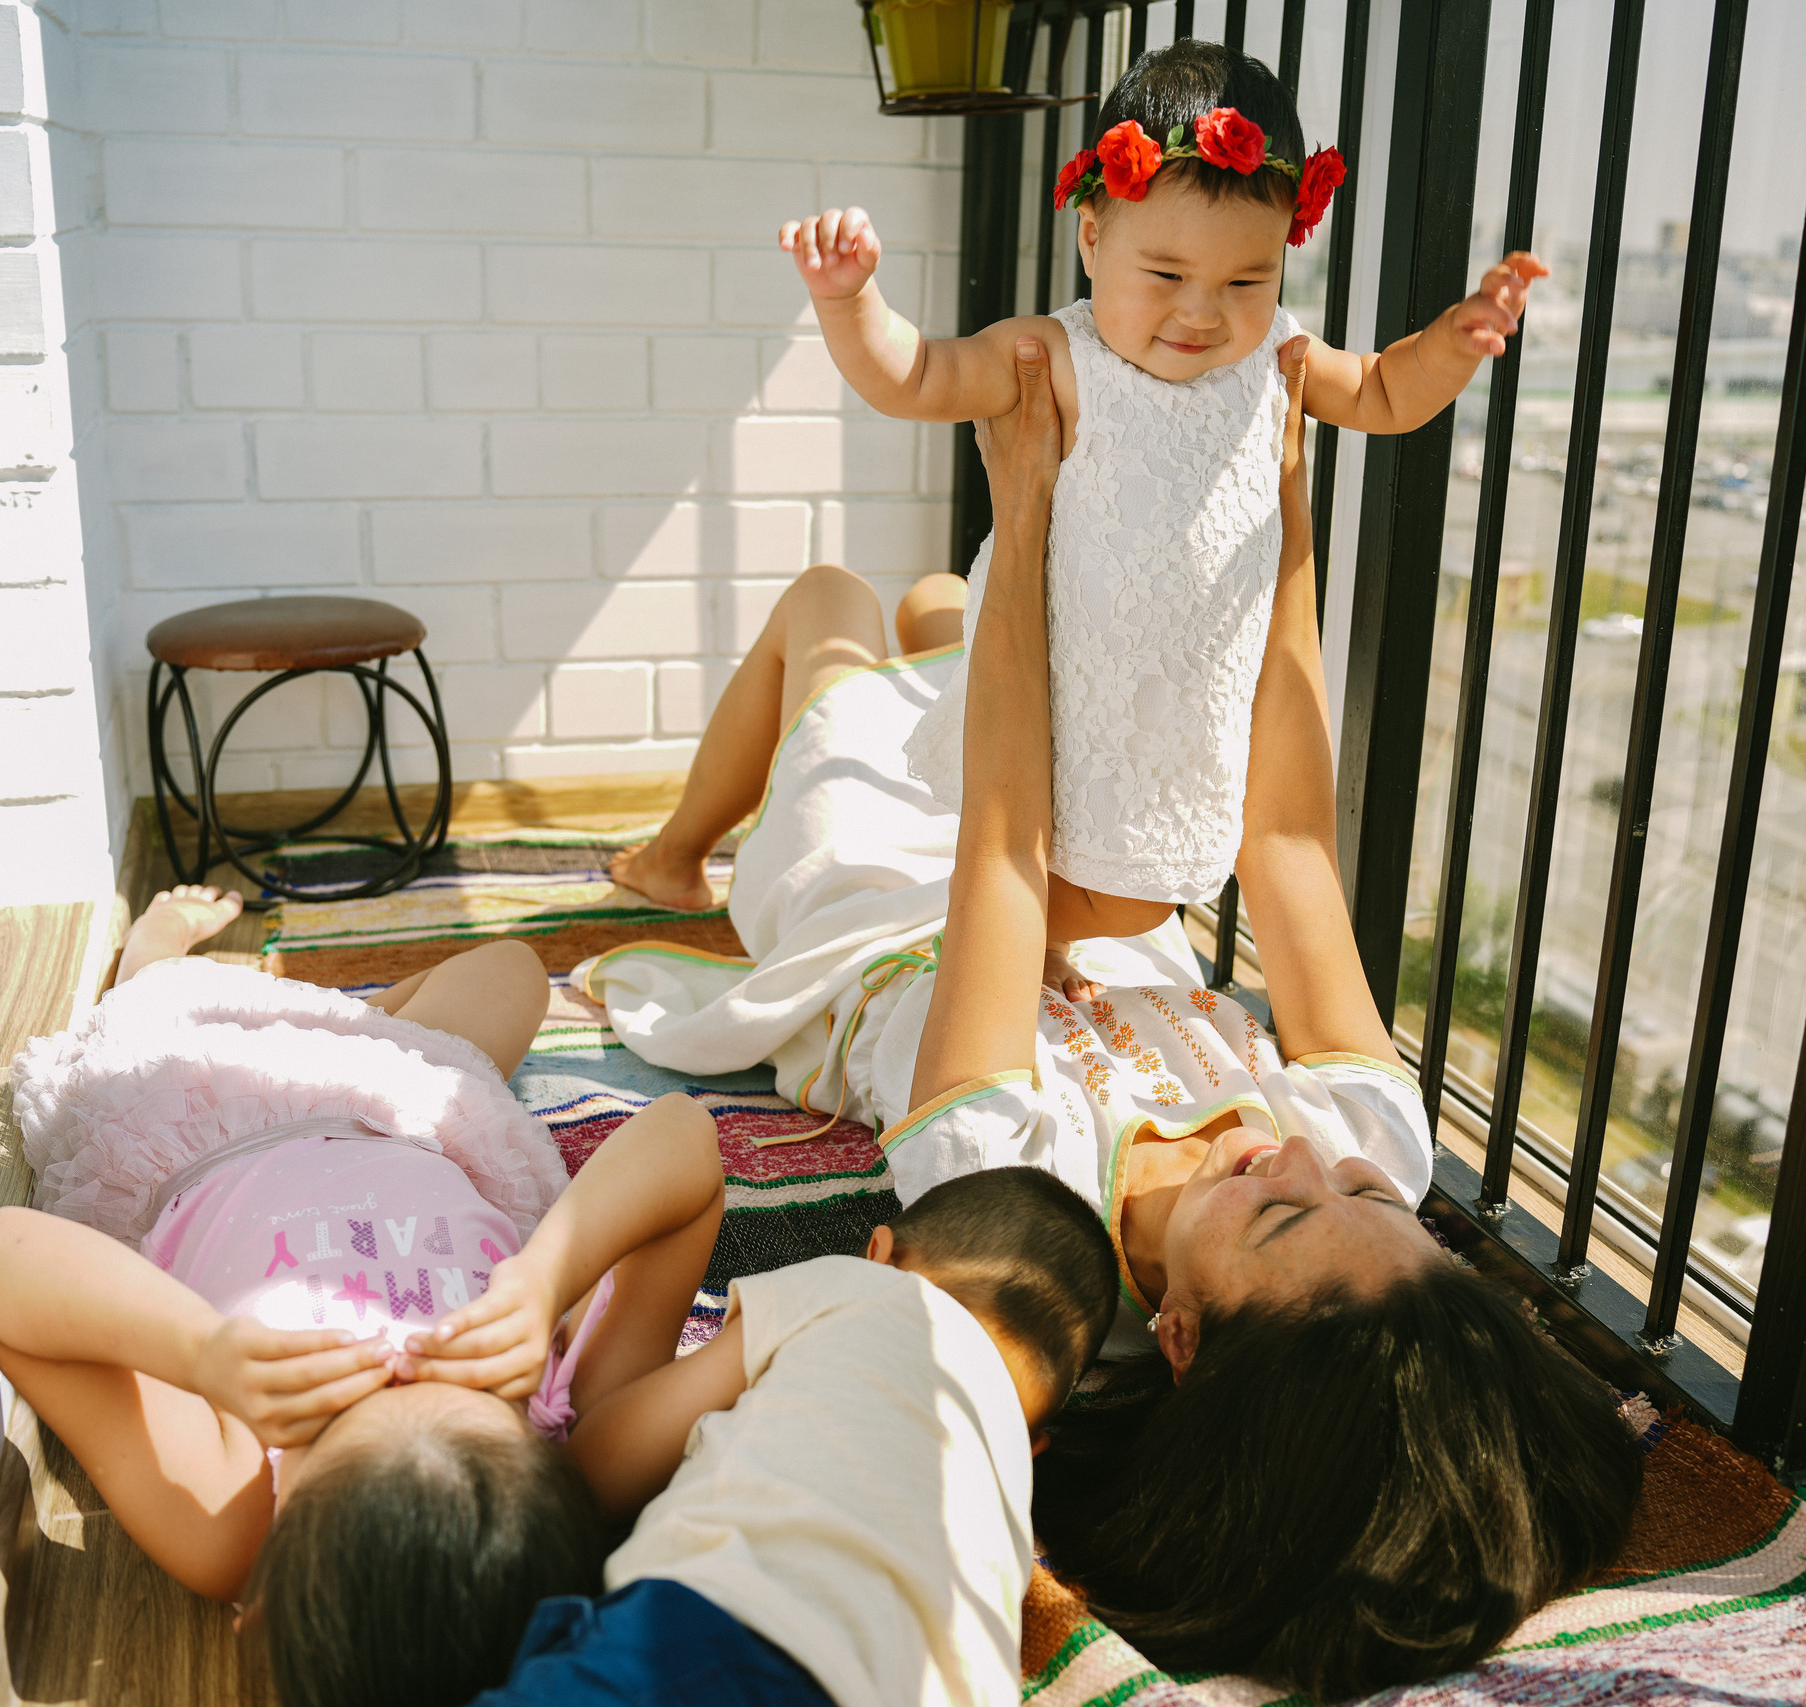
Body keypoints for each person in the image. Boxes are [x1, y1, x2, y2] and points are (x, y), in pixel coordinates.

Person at [593, 335, 1641, 1695]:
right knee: (935, 609)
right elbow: (1294, 843)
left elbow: (1001, 848)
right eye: (1373, 1192)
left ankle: (676, 854)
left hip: (893, 900)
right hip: (1049, 876)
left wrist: (1026, 502)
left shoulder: (1013, 1197)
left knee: (832, 602)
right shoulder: (1357, 1134)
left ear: (1187, 1339)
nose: (1303, 1151)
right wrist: (1282, 503)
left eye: (1276, 1208)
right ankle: (882, 683)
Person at [776, 39, 1547, 993]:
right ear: (1095, 237)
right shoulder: (1062, 353)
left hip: (1181, 701)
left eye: (1244, 282)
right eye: (1167, 274)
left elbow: (1388, 392)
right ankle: (1009, 934)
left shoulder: (1277, 361)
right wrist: (853, 303)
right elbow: (920, 375)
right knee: (1072, 858)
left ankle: (1029, 916)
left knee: (1149, 886)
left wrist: (1456, 340)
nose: (1203, 313)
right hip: (1058, 673)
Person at [0, 886, 726, 1707]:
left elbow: (4, 1261)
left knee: (152, 1003)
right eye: (457, 1382)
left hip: (194, 1121)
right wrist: (548, 1277)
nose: (394, 1361)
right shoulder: (586, 1440)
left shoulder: (228, 1519)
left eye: (342, 1408)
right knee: (514, 972)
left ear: (261, 1606)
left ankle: (164, 950)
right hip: (411, 1114)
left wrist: (201, 1351)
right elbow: (684, 1138)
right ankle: (322, 1012)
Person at [441, 1166, 1119, 1707]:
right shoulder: (1009, 1467)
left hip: (723, 1639)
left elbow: (605, 1462)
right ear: (1035, 1442)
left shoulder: (860, 1288)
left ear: (879, 1252)